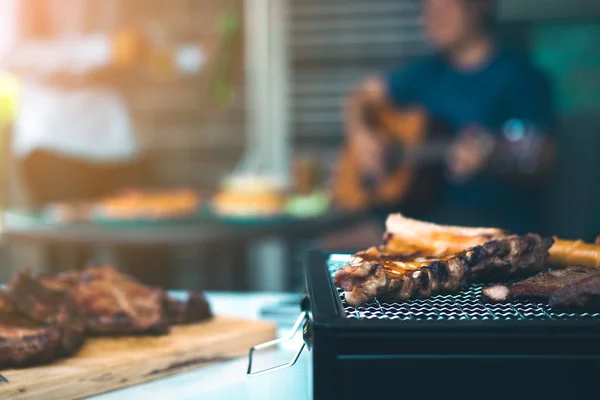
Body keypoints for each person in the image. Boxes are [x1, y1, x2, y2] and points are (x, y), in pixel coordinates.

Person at [345, 0, 556, 234]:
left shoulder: (520, 76)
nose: (432, 20)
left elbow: (542, 156)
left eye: (443, 9)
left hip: (492, 227)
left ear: (478, 6)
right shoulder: (427, 71)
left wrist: (491, 157)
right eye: (427, 11)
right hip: (416, 217)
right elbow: (361, 95)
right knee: (330, 246)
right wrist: (361, 136)